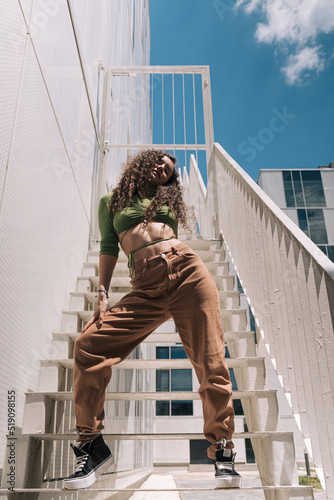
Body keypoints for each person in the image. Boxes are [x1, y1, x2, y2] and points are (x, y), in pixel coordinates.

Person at [63, 149, 241, 490]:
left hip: (187, 271)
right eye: (160, 161)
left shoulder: (166, 200)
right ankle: (91, 445)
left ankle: (222, 450)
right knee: (88, 345)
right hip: (145, 284)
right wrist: (101, 293)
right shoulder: (110, 202)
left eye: (170, 170)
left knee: (211, 361)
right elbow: (108, 247)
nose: (163, 169)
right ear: (143, 161)